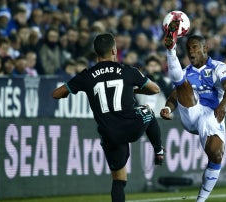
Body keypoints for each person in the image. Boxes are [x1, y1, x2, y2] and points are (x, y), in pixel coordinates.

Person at [52, 33, 164, 202]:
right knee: (147, 110)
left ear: (96, 53)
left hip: (110, 134)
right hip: (131, 126)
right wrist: (132, 89)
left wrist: (75, 90)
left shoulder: (86, 75)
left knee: (119, 180)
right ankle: (158, 150)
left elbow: (56, 94)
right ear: (114, 50)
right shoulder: (127, 71)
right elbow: (155, 89)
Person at [160, 22, 226, 202]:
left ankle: (201, 200)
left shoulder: (219, 67)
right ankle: (171, 50)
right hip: (191, 113)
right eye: (188, 49)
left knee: (216, 154)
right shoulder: (186, 72)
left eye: (194, 47)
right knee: (183, 85)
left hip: (212, 114)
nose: (191, 51)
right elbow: (173, 96)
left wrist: (223, 105)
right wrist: (167, 108)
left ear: (205, 48)